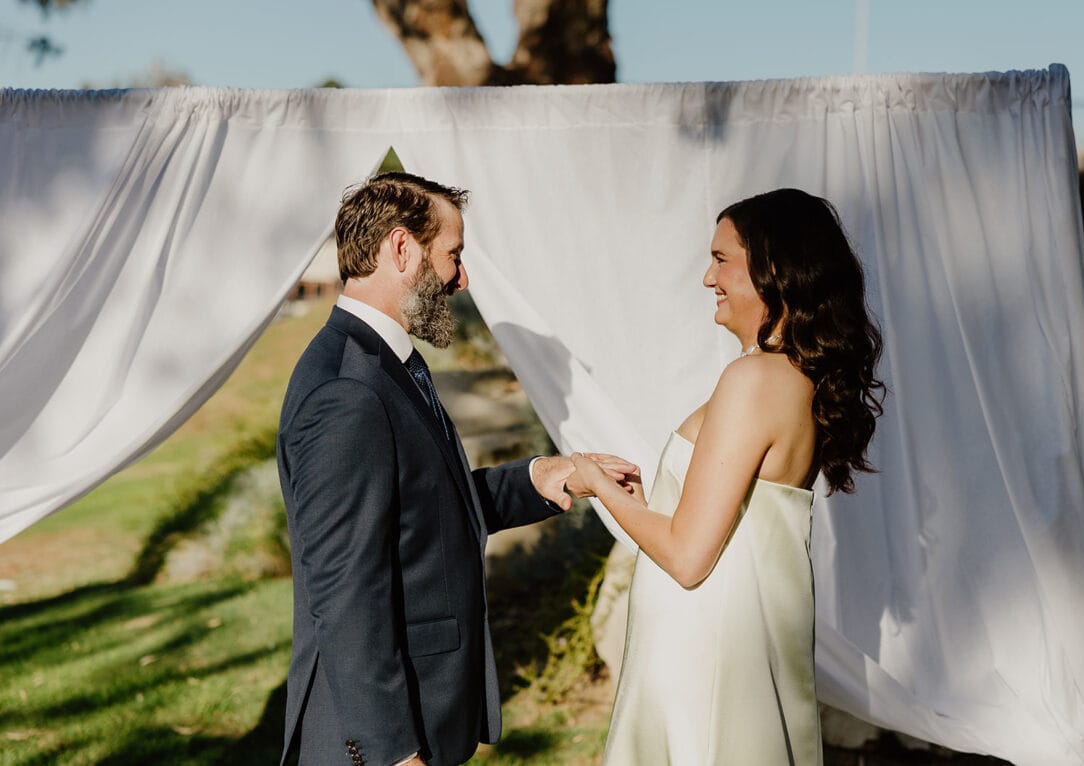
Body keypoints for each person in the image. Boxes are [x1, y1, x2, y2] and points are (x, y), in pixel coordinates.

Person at [276, 171, 635, 766]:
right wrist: (394, 753)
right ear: (401, 248)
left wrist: (541, 477)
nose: (461, 278)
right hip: (380, 740)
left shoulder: (381, 364)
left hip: (426, 712)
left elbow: (425, 510)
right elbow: (346, 593)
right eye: (453, 255)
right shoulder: (347, 390)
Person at [569, 188, 885, 765]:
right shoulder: (798, 376)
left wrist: (599, 485)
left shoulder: (752, 380)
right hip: (735, 635)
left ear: (773, 270)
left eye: (721, 259)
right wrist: (650, 502)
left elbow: (689, 558)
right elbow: (743, 527)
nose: (707, 278)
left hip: (705, 647)